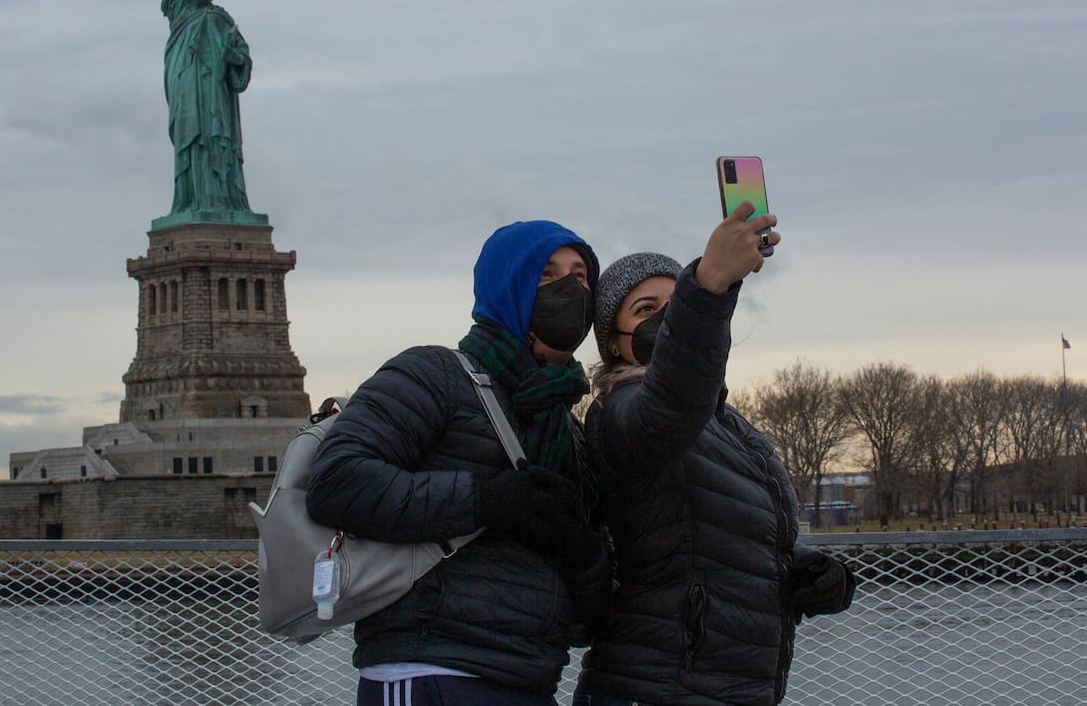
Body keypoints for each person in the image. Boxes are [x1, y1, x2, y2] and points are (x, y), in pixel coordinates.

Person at [306, 220, 611, 706]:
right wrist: (487, 500)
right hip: (429, 666)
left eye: (580, 276)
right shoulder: (435, 374)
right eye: (546, 275)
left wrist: (579, 548)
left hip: (530, 676)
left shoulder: (566, 427)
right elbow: (338, 480)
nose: (569, 289)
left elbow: (588, 607)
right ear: (506, 285)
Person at [574, 202, 855, 706]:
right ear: (614, 346)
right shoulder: (621, 413)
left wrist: (804, 574)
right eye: (644, 310)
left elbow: (708, 544)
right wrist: (705, 288)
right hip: (657, 687)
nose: (665, 318)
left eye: (673, 301)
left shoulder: (731, 427)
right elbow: (671, 404)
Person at [136, 0, 255, 218]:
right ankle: (190, 202)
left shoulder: (218, 19)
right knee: (188, 145)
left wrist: (233, 58)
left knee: (214, 141)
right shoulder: (179, 11)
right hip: (184, 89)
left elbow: (241, 56)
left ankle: (220, 202)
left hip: (212, 93)